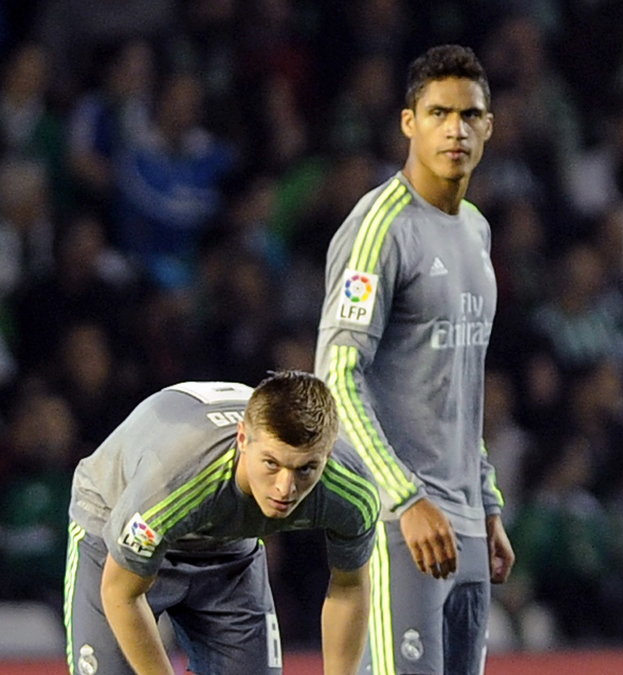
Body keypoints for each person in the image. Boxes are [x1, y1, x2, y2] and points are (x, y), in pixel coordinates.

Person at [314, 44, 515, 675]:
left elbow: (461, 386)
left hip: (465, 521)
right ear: (409, 122)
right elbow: (336, 377)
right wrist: (404, 498)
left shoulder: (477, 231)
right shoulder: (380, 227)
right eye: (437, 113)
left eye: (469, 115)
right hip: (400, 522)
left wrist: (486, 502)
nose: (455, 129)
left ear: (489, 125)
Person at [63, 370, 380, 675]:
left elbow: (349, 586)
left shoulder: (352, 491)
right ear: (243, 438)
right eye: (271, 463)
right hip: (115, 528)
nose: (286, 488)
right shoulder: (175, 480)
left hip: (229, 548)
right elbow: (121, 594)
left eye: (306, 469)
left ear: (327, 453)